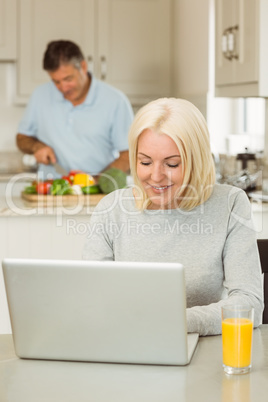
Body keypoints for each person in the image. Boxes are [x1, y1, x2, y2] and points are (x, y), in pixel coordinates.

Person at [82, 97, 263, 336]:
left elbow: (249, 305)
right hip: (126, 344)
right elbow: (92, 300)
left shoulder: (230, 204)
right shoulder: (111, 209)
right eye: (145, 161)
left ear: (196, 161)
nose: (156, 176)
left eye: (172, 164)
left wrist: (178, 322)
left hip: (204, 351)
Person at [16, 40, 134, 179]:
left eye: (68, 79)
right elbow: (22, 138)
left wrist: (95, 182)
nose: (63, 88)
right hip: (52, 190)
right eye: (56, 81)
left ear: (83, 67)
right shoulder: (40, 95)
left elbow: (129, 154)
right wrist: (37, 147)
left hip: (98, 192)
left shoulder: (116, 101)